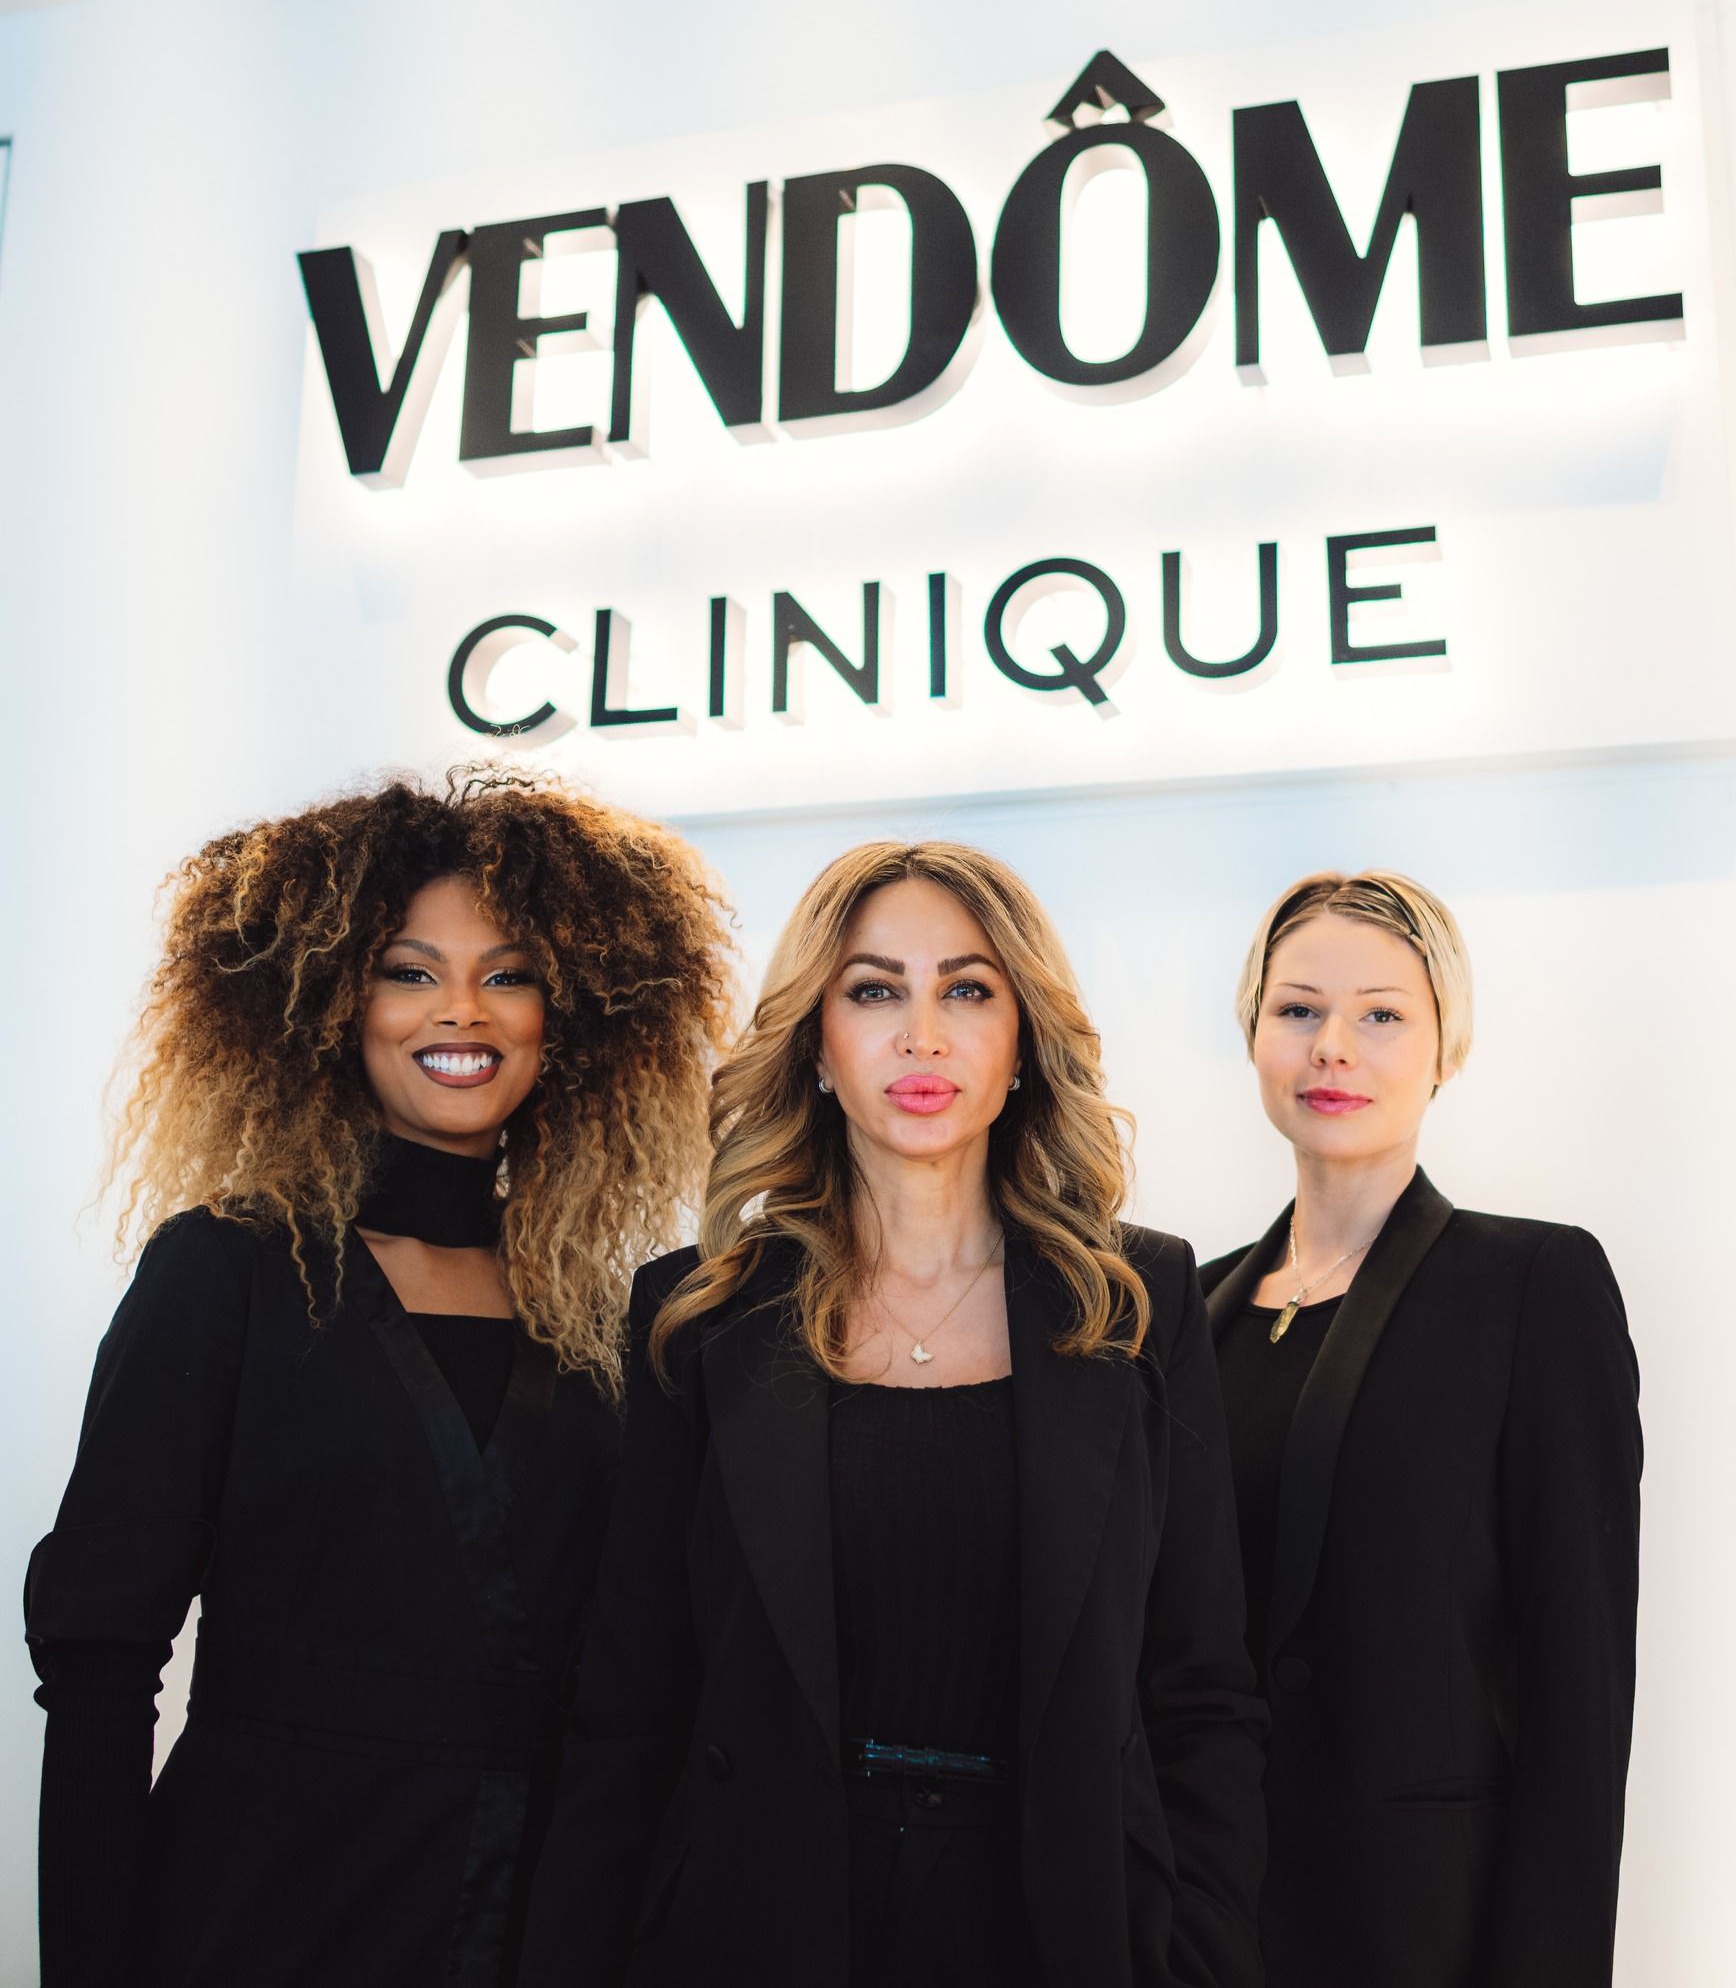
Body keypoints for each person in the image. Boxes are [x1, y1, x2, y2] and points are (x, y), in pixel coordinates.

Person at [25, 767, 733, 1988]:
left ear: (571, 1014)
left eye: (507, 972)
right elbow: (97, 1669)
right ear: (323, 1004)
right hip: (261, 1916)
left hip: (537, 1924)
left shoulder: (605, 1316)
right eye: (409, 970)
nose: (461, 1011)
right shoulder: (226, 1271)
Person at [520, 840, 1265, 1988]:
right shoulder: (697, 1312)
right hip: (763, 1919)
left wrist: (1197, 1955)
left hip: (1057, 1921)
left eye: (966, 989)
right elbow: (628, 1702)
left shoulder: (1134, 1296)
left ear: (1020, 1040)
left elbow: (1199, 1683)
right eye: (874, 990)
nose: (922, 1034)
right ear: (816, 1041)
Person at [1202, 870, 1641, 1988]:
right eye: (1296, 1008)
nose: (1331, 1046)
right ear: (1251, 1032)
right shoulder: (1176, 1311)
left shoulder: (1529, 1285)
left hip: (1416, 1933)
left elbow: (1575, 1690)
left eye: (1381, 1013)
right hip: (1199, 1925)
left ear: (1446, 1046)